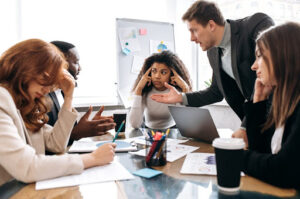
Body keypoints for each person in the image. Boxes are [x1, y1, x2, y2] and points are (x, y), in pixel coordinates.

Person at [150, 0, 274, 141]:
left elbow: (272, 73)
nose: (191, 38)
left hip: (279, 117)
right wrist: (181, 97)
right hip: (257, 124)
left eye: (194, 31)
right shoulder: (213, 52)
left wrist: (245, 127)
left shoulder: (255, 25)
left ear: (211, 25)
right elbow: (216, 92)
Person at [0, 39, 116, 186]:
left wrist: (68, 97)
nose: (48, 89)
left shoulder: (23, 104)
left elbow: (56, 144)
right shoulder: (2, 98)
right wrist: (92, 158)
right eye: (46, 78)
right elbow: (26, 166)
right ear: (24, 68)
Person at [242, 22, 300, 188]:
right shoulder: (284, 100)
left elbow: (283, 171)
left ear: (284, 56)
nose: (254, 66)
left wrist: (235, 156)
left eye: (259, 56)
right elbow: (263, 151)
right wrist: (258, 101)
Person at [48, 41, 115, 143]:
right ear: (62, 64)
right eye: (76, 62)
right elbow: (48, 143)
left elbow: (66, 130)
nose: (80, 68)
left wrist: (90, 126)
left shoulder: (63, 93)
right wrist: (76, 133)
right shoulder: (43, 95)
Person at [128, 50, 192, 129]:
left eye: (164, 72)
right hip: (149, 133)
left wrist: (185, 89)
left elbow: (185, 123)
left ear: (172, 75)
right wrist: (138, 89)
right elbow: (134, 125)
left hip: (172, 132)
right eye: (154, 71)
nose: (157, 76)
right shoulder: (145, 91)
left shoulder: (175, 92)